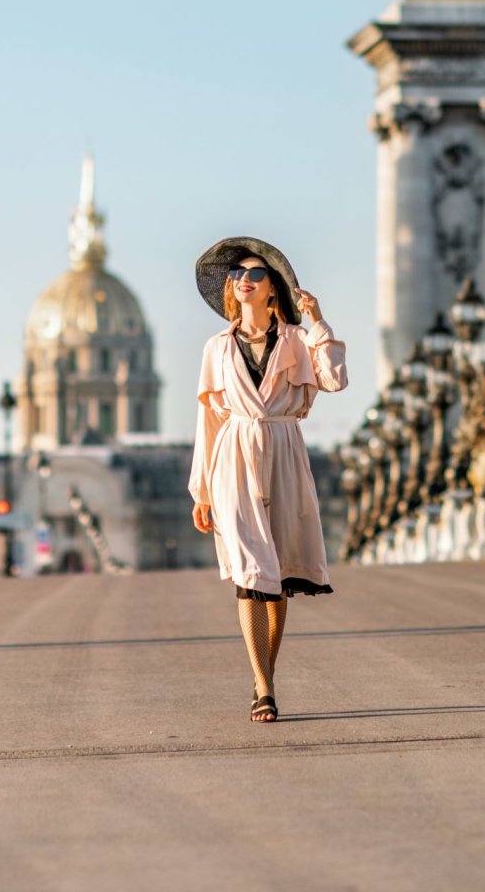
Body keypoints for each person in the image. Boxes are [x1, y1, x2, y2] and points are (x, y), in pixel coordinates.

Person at [189, 236, 348, 723]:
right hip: (234, 456)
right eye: (237, 274)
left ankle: (267, 677)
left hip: (282, 451)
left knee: (275, 581)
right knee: (249, 573)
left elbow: (335, 380)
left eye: (253, 273)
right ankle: (263, 685)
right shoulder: (216, 348)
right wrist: (201, 490)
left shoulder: (299, 341)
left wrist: (318, 322)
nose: (242, 280)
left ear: (273, 289)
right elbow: (209, 423)